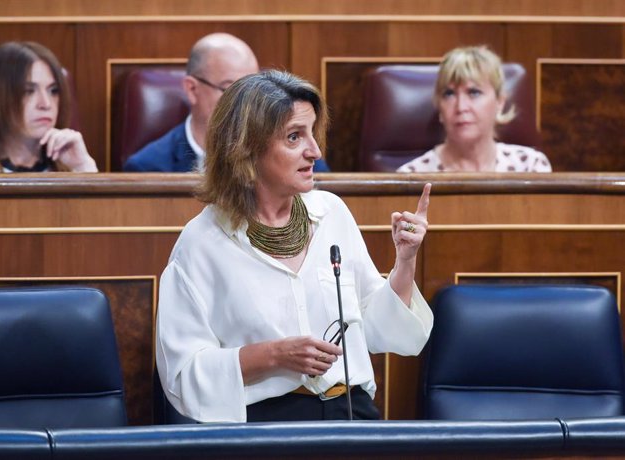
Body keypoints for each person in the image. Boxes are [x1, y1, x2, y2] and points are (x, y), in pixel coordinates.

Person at [155, 69, 433, 423]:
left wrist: (405, 262)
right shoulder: (201, 242)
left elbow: (380, 331)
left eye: (312, 133)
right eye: (293, 137)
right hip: (266, 426)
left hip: (351, 413)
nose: (314, 151)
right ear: (247, 148)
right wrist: (274, 356)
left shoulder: (332, 213)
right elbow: (183, 376)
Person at [123, 32, 330, 173]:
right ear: (192, 89)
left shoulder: (297, 156)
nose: (247, 101)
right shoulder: (149, 167)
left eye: (254, 88)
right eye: (230, 88)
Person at [0, 41, 97, 173]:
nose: (46, 104)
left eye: (53, 91)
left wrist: (83, 167)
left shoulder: (71, 164)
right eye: (28, 91)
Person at [397, 45, 551, 173]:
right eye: (449, 94)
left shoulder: (531, 167)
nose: (461, 107)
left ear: (500, 102)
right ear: (439, 106)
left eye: (474, 92)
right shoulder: (411, 176)